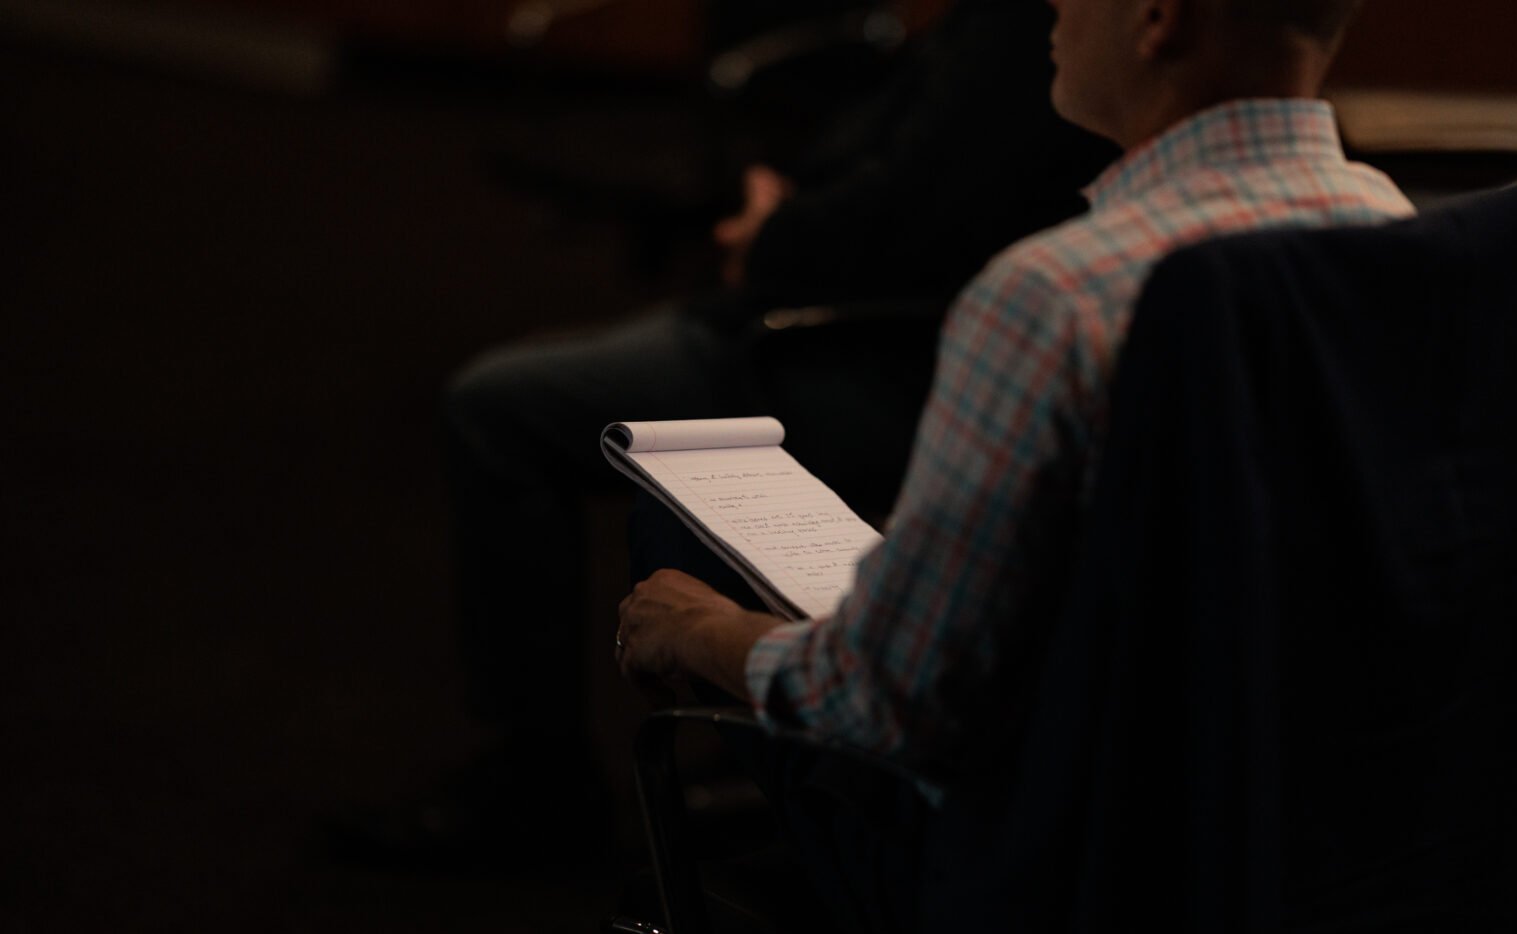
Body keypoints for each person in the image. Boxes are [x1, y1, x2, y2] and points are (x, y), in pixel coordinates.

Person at [333, 0, 1118, 868]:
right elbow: (899, 152)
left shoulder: (1043, 65)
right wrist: (780, 196)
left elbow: (928, 215)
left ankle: (540, 786)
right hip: (837, 296)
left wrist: (772, 233)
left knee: (497, 410)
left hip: (857, 344)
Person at [616, 0, 1416, 780]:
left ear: (1158, 18)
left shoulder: (1057, 295)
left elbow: (884, 697)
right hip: (1337, 823)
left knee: (671, 525)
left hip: (1076, 858)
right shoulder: (1401, 233)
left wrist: (709, 631)